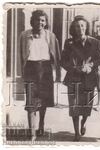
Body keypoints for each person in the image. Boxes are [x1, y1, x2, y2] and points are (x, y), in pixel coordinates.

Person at [17, 10, 61, 140]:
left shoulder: (51, 36)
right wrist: (21, 74)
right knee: (31, 102)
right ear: (32, 21)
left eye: (43, 20)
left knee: (43, 101)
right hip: (30, 69)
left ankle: (41, 123)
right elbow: (20, 55)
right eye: (37, 20)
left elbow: (57, 56)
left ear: (46, 22)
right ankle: (32, 132)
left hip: (46, 70)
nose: (40, 22)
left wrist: (58, 74)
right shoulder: (24, 35)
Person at [61, 15, 100, 141]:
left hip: (89, 79)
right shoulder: (69, 43)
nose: (80, 28)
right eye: (77, 26)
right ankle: (76, 133)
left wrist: (91, 66)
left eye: (82, 25)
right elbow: (63, 61)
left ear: (86, 27)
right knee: (74, 106)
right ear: (74, 28)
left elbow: (99, 58)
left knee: (86, 107)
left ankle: (84, 122)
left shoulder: (95, 42)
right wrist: (76, 68)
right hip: (74, 78)